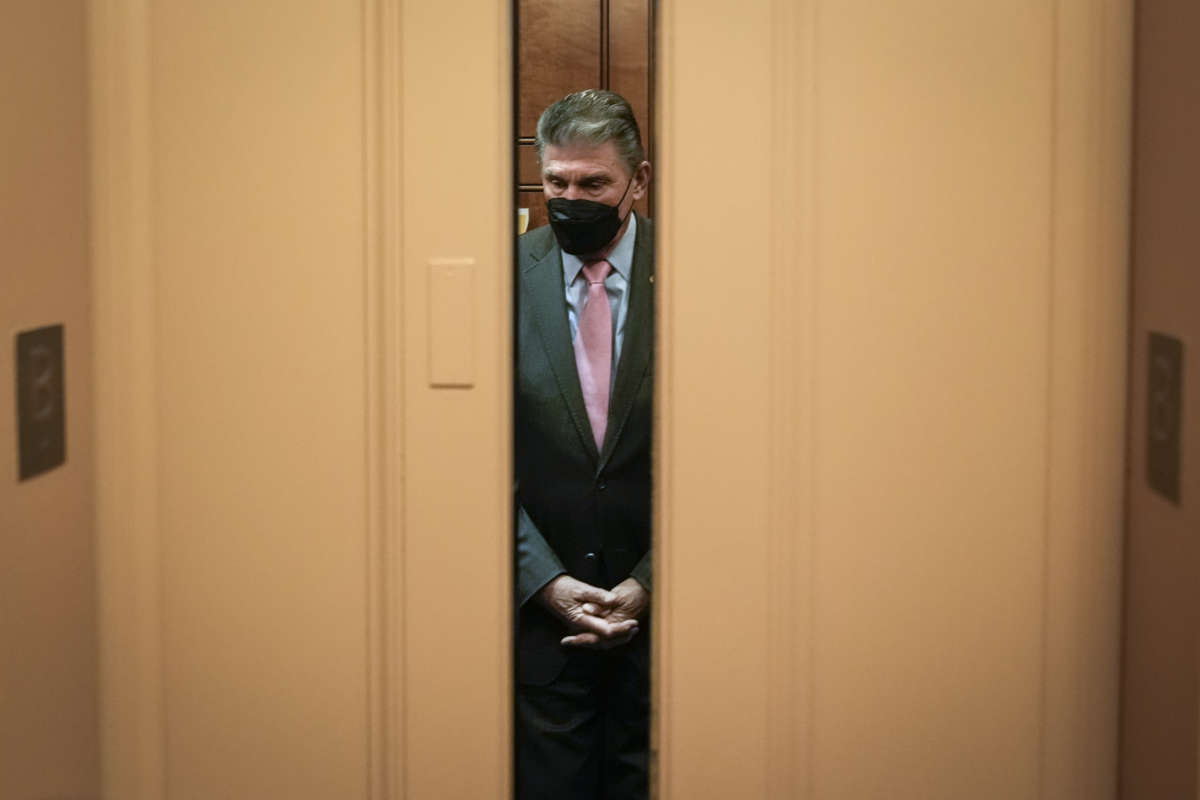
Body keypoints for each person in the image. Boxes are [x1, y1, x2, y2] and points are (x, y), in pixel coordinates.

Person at [514, 89, 654, 800]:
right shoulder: (504, 276)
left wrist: (650, 585)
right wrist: (544, 582)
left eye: (593, 184)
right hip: (539, 638)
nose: (571, 199)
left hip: (678, 640)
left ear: (639, 179)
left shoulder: (708, 277)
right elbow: (471, 461)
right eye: (556, 182)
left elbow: (733, 461)